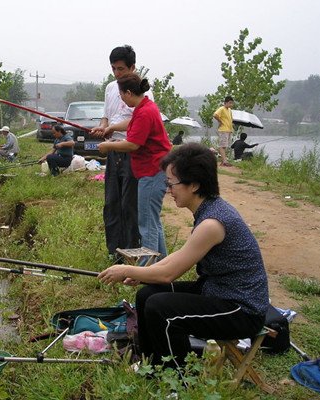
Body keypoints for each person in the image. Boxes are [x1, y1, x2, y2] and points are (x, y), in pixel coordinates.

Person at [98, 143, 269, 371]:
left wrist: (128, 270)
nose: (169, 190)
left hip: (241, 309)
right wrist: (144, 275)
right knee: (147, 295)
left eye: (172, 184)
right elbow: (179, 256)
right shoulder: (208, 210)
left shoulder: (212, 223)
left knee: (161, 308)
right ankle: (151, 364)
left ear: (195, 185)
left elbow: (169, 273)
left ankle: (176, 379)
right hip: (217, 291)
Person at [98, 73, 171, 258]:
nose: (121, 100)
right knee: (153, 222)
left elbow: (132, 144)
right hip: (154, 171)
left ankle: (146, 270)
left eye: (121, 96)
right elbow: (131, 124)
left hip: (152, 172)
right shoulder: (144, 107)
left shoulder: (145, 112)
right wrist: (111, 128)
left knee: (146, 225)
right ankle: (161, 264)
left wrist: (107, 145)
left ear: (129, 93)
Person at [90, 45, 153, 258]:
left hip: (132, 151)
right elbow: (106, 116)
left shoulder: (143, 92)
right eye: (114, 69)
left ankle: (131, 251)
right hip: (113, 149)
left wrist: (111, 129)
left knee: (129, 205)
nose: (117, 74)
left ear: (133, 67)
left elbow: (137, 121)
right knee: (112, 203)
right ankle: (113, 251)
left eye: (121, 69)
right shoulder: (110, 88)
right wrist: (103, 127)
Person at [213, 96, 235, 167]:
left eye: (232, 103)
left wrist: (232, 127)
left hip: (228, 129)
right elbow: (215, 115)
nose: (231, 104)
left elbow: (231, 119)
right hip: (223, 129)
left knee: (225, 146)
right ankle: (224, 161)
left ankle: (224, 160)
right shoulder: (222, 108)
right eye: (229, 103)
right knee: (222, 145)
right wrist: (220, 122)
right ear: (225, 103)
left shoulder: (229, 110)